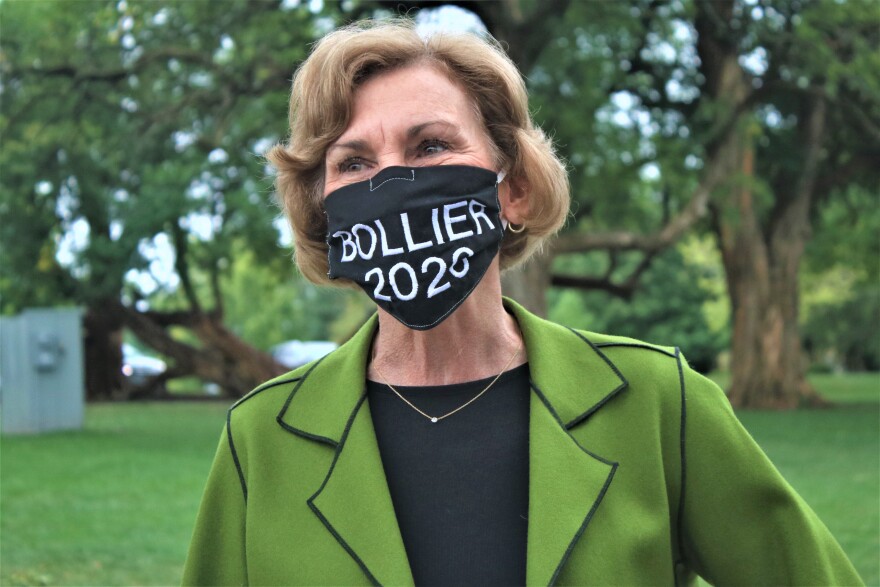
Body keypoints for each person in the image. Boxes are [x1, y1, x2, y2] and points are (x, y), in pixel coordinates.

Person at [182, 19, 863, 587]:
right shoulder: (262, 438)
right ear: (325, 210)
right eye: (354, 162)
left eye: (432, 144)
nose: (391, 181)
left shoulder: (657, 404)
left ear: (513, 189)